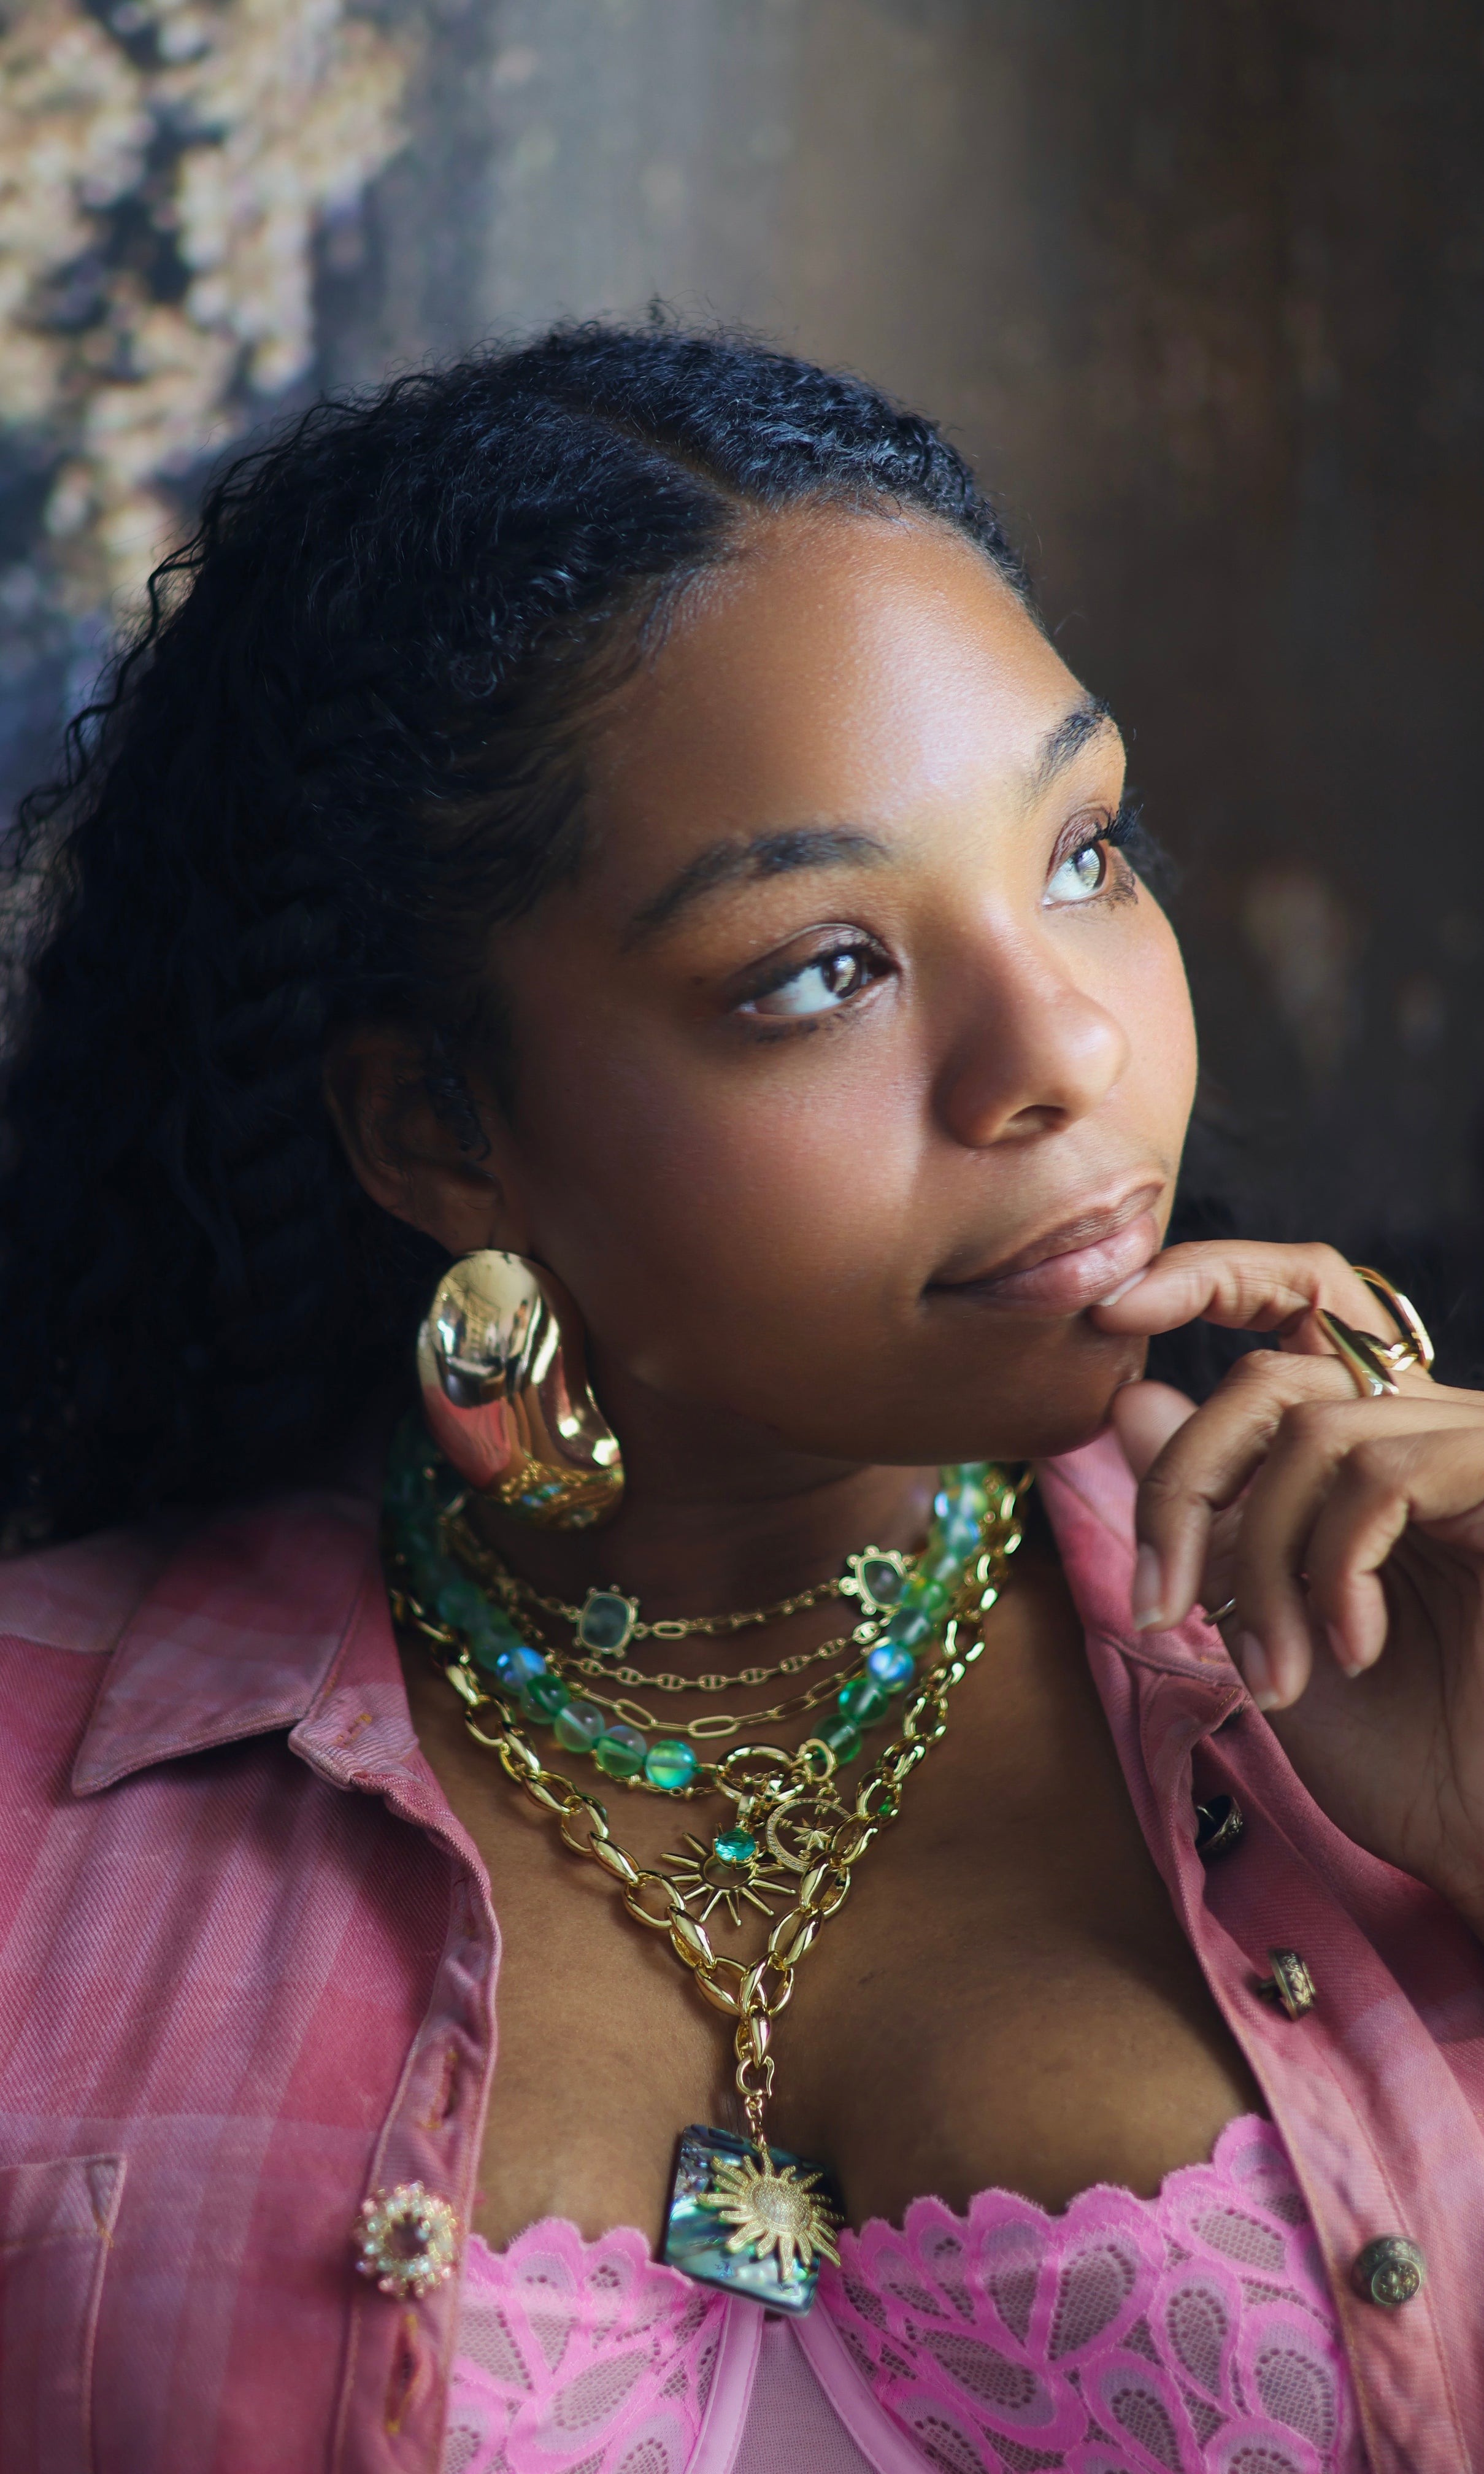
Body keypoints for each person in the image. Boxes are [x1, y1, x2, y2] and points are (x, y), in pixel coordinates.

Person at [0, 323, 1481, 2474]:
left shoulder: (1405, 1647)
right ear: (437, 1128)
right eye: (819, 969)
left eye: (1080, 848)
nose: (1056, 1051)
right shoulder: (44, 1818)